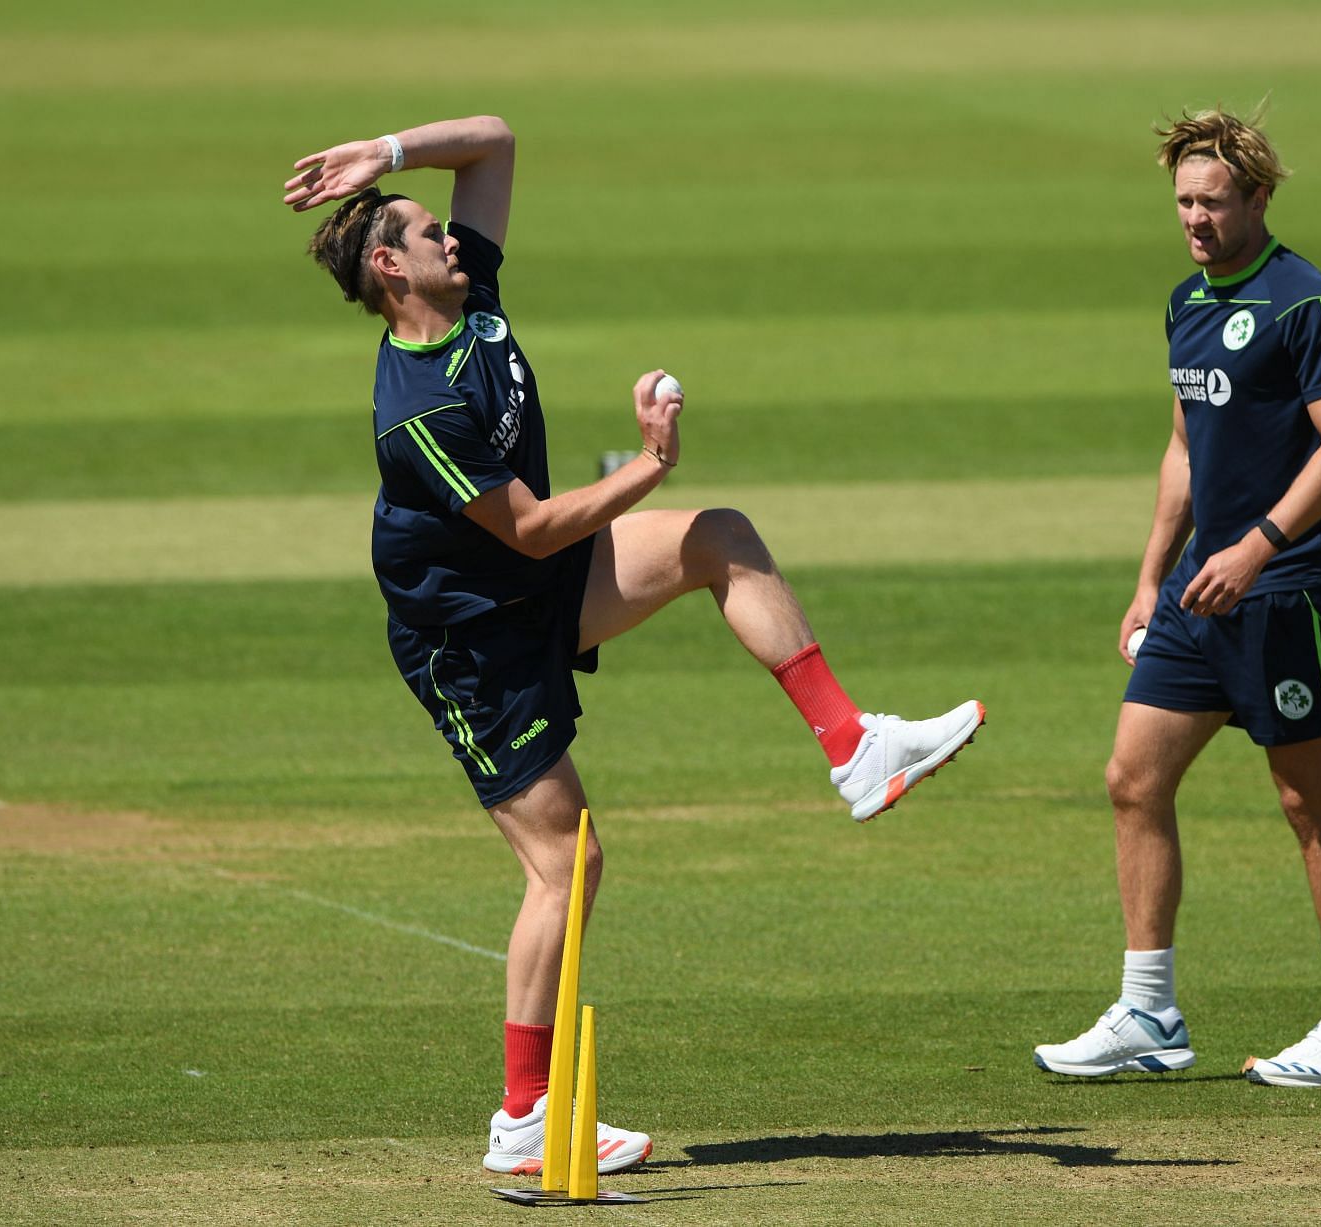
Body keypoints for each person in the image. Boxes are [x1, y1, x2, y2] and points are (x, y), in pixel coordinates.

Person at [283, 115, 985, 1172]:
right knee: (569, 864)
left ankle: (855, 749)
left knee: (721, 541)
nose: (454, 240)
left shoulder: (475, 300)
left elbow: (496, 142)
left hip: (536, 585)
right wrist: (647, 466)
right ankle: (524, 1119)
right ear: (391, 268)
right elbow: (525, 526)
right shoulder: (415, 409)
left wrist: (386, 157)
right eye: (430, 234)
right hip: (473, 644)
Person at [1033, 106, 1321, 1087]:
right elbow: (1187, 447)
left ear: (1259, 197)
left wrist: (1261, 544)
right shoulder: (1187, 305)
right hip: (1200, 594)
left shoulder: (1304, 303)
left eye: (1214, 201)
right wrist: (1152, 576)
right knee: (1132, 778)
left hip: (1293, 589)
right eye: (1184, 202)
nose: (1195, 218)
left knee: (1307, 800)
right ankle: (1149, 1011)